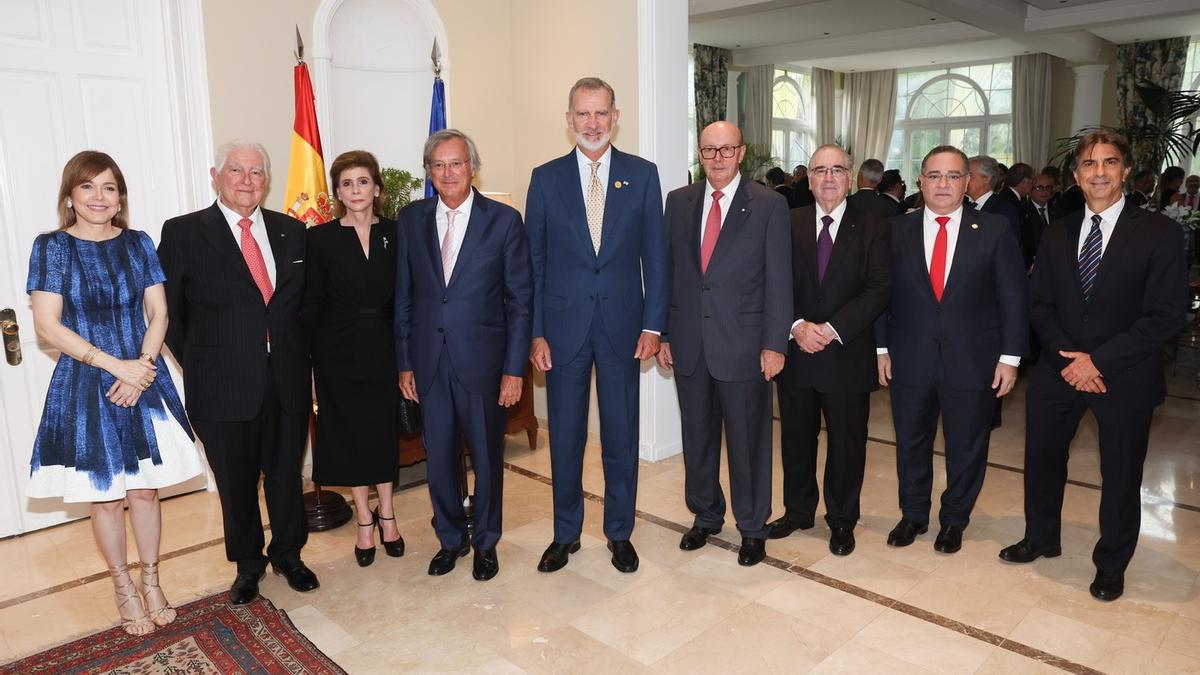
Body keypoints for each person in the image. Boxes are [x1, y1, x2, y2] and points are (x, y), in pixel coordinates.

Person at [999, 129, 1188, 602]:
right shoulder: (1057, 231)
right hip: (1058, 370)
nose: (1098, 172)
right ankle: (1041, 537)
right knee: (1041, 460)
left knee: (1121, 472)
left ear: (1125, 171)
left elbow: (1166, 314)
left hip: (1125, 373)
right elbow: (1039, 303)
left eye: (1108, 163)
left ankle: (1111, 563)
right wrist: (1071, 359)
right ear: (1076, 176)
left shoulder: (1161, 233)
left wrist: (1098, 361)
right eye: (1088, 164)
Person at [28, 151, 203, 634]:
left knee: (145, 492)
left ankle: (151, 580)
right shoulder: (52, 247)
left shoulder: (139, 243)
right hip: (88, 382)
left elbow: (160, 314)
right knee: (105, 497)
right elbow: (47, 325)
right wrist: (115, 368)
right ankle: (122, 585)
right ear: (70, 195)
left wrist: (141, 369)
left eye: (109, 187)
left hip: (143, 376)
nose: (99, 197)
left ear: (120, 196)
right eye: (88, 187)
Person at [158, 140, 319, 605]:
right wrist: (206, 362)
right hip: (221, 382)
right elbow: (170, 314)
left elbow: (301, 308)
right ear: (216, 175)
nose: (246, 180)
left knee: (286, 474)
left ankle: (290, 554)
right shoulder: (185, 232)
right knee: (236, 481)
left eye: (256, 172)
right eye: (236, 171)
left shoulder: (292, 231)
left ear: (266, 181)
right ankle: (249, 565)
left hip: (286, 378)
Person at [526, 77, 667, 575]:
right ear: (569, 120)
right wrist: (536, 332)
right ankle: (566, 533)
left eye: (600, 114)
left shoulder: (642, 175)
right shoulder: (544, 179)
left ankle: (619, 532)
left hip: (623, 328)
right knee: (564, 436)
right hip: (562, 329)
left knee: (620, 434)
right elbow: (534, 264)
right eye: (582, 114)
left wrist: (655, 325)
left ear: (616, 117)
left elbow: (656, 257)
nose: (592, 123)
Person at [876, 145, 1027, 554]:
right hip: (909, 358)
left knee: (966, 446)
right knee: (910, 442)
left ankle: (954, 519)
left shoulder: (994, 230)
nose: (943, 184)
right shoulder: (895, 230)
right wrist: (880, 348)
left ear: (969, 183)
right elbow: (879, 294)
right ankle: (912, 515)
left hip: (973, 361)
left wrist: (1010, 359)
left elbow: (1013, 298)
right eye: (935, 175)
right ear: (920, 181)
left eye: (954, 176)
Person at [396, 129, 532, 581]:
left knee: (488, 459)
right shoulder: (411, 219)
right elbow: (405, 297)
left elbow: (519, 301)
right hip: (430, 362)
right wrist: (405, 362)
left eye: (456, 163)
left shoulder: (504, 221)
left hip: (485, 365)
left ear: (472, 167)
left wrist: (514, 370)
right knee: (439, 459)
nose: (448, 172)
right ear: (429, 172)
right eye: (438, 165)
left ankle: (486, 543)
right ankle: (450, 539)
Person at [657, 121, 792, 566]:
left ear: (742, 152)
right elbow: (669, 275)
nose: (717, 158)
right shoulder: (679, 202)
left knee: (748, 442)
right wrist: (665, 334)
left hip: (745, 346)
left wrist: (775, 344)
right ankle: (707, 515)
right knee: (697, 437)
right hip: (690, 344)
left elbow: (779, 280)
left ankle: (752, 526)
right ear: (700, 153)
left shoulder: (770, 204)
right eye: (709, 150)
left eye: (726, 149)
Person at [767, 144, 892, 556]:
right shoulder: (786, 223)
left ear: (851, 175)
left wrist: (832, 328)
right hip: (797, 352)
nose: (828, 178)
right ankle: (798, 511)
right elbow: (772, 282)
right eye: (820, 170)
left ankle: (841, 520)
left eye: (837, 169)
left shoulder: (873, 225)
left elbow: (879, 289)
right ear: (810, 177)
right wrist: (797, 326)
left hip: (846, 353)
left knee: (846, 445)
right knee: (796, 441)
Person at [303, 150, 403, 568]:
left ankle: (388, 513)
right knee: (350, 434)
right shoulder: (319, 238)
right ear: (338, 192)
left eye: (363, 181)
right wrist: (308, 365)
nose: (355, 190)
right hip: (336, 352)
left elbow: (410, 298)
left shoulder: (399, 234)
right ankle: (364, 518)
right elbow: (310, 306)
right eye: (346, 183)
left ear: (376, 188)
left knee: (382, 433)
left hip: (387, 347)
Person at [967, 155, 1021, 245]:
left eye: (970, 175)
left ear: (987, 178)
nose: (965, 180)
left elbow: (1008, 247)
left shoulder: (1004, 210)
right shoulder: (964, 206)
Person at [1023, 173, 1056, 269]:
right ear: (1030, 190)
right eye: (1040, 187)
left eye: (1048, 187)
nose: (1044, 191)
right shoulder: (1023, 212)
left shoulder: (1058, 211)